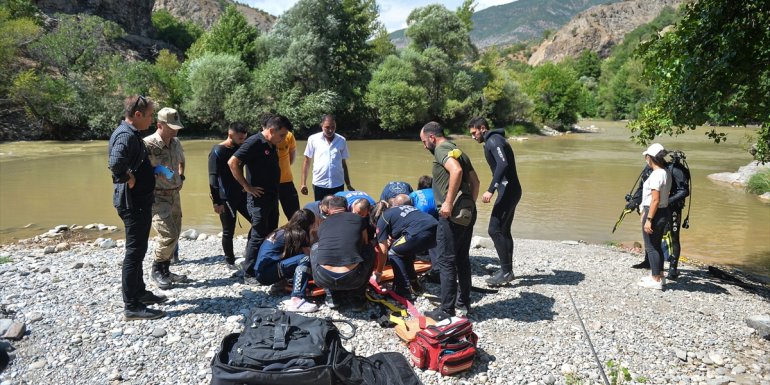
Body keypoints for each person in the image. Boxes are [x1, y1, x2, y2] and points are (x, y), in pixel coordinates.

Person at [108, 95, 166, 321]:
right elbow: (115, 164)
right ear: (138, 114)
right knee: (134, 253)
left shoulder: (131, 134)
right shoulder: (125, 135)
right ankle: (131, 305)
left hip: (139, 202)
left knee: (139, 250)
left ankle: (139, 293)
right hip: (133, 204)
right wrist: (128, 178)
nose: (151, 120)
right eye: (150, 115)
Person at [419, 121, 480, 320]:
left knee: (446, 261)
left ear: (431, 137)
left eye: (423, 141)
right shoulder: (458, 150)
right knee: (462, 259)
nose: (424, 146)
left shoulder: (441, 149)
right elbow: (475, 182)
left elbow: (456, 171)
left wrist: (448, 203)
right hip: (466, 212)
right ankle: (463, 304)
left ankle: (446, 310)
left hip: (451, 215)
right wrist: (468, 204)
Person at [229, 115, 293, 284]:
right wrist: (247, 187)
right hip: (258, 199)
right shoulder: (254, 142)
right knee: (258, 235)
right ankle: (248, 273)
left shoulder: (271, 144)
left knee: (269, 232)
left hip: (272, 196)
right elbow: (233, 162)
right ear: (271, 130)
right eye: (281, 135)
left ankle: (261, 265)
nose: (282, 140)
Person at [468, 117, 522, 287]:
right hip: (511, 190)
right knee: (504, 230)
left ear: (483, 128)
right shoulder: (494, 139)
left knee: (494, 229)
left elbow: (503, 164)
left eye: (474, 132)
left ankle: (506, 272)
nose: (473, 136)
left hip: (508, 191)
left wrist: (491, 189)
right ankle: (507, 270)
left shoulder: (493, 140)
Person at [144, 107, 189, 290]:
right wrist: (159, 172)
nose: (175, 130)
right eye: (171, 127)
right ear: (159, 125)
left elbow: (182, 161)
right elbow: (140, 171)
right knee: (167, 234)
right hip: (157, 197)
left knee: (176, 232)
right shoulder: (148, 144)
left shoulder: (176, 142)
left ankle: (166, 270)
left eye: (176, 127)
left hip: (174, 195)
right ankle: (156, 270)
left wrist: (181, 176)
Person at [310, 195, 373, 311]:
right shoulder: (358, 219)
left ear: (329, 209)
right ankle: (357, 299)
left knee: (315, 247)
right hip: (353, 279)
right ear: (347, 207)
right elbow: (365, 242)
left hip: (323, 278)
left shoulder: (322, 224)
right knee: (369, 248)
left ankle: (331, 296)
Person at [371, 195, 438, 299]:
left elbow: (383, 251)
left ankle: (402, 289)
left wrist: (378, 272)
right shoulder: (400, 210)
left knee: (393, 252)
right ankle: (415, 284)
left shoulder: (382, 218)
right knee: (403, 251)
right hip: (437, 230)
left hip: (419, 232)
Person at [254, 209, 318, 313]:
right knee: (305, 258)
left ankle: (279, 284)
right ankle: (297, 299)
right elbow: (309, 255)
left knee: (298, 258)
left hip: (261, 272)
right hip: (267, 273)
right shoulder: (299, 234)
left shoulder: (282, 230)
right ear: (309, 223)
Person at [208, 122, 251, 269]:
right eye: (240, 138)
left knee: (258, 222)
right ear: (230, 134)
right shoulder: (217, 151)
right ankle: (229, 260)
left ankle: (249, 252)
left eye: (245, 138)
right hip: (225, 198)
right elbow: (213, 179)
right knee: (228, 231)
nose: (243, 141)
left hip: (242, 194)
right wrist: (216, 201)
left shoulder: (240, 148)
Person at [637, 143, 672, 290]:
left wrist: (649, 219)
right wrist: (644, 211)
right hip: (662, 211)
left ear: (650, 157)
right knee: (656, 246)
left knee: (651, 247)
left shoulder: (657, 174)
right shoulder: (665, 172)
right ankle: (660, 276)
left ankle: (655, 279)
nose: (645, 159)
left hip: (655, 213)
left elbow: (655, 199)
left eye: (647, 156)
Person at [300, 114, 354, 200]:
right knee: (321, 210)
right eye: (327, 127)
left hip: (338, 184)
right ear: (321, 126)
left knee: (337, 211)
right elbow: (307, 162)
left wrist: (348, 184)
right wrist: (303, 183)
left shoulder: (341, 140)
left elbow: (343, 164)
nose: (330, 130)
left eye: (333, 127)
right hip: (319, 184)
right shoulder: (313, 139)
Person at [273, 113, 301, 220]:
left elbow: (292, 157)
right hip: (270, 184)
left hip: (287, 181)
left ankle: (296, 236)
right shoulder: (265, 139)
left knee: (295, 215)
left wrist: (284, 169)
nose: (283, 136)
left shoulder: (289, 136)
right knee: (272, 216)